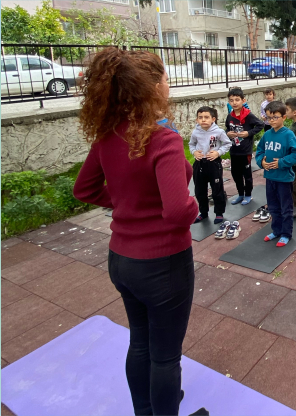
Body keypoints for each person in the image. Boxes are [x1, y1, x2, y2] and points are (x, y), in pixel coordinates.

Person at [73, 47, 207, 416]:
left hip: (122, 260)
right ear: (152, 87)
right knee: (165, 356)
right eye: (165, 77)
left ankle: (147, 410)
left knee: (141, 343)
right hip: (163, 265)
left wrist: (124, 204)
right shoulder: (161, 139)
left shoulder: (108, 133)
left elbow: (83, 189)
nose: (168, 83)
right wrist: (196, 206)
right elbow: (179, 210)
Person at [255, 101, 296, 247]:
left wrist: (281, 162)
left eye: (275, 117)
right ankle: (276, 230)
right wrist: (261, 162)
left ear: (284, 117)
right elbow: (259, 152)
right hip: (270, 177)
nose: (271, 121)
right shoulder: (267, 134)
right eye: (269, 118)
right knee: (273, 206)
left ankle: (286, 234)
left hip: (284, 179)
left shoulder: (288, 135)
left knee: (285, 208)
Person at [189, 106, 231, 224]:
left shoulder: (219, 132)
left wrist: (218, 152)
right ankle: (203, 212)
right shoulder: (196, 132)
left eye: (206, 117)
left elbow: (227, 144)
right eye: (200, 117)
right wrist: (194, 152)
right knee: (199, 190)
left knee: (217, 189)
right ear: (197, 120)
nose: (203, 120)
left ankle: (219, 213)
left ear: (213, 119)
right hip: (200, 164)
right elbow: (191, 144)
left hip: (213, 164)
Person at [225, 87, 264, 205]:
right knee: (236, 174)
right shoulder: (230, 115)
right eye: (231, 100)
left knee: (246, 174)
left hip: (245, 150)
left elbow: (260, 125)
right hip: (234, 150)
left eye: (237, 100)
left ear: (243, 100)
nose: (234, 103)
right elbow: (227, 127)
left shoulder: (248, 115)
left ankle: (248, 195)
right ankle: (240, 194)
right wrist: (228, 133)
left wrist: (248, 133)